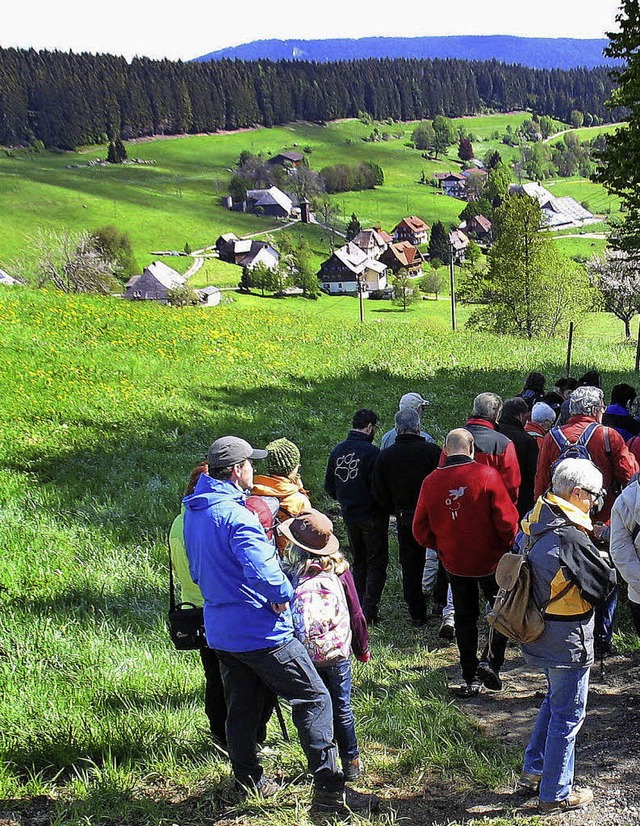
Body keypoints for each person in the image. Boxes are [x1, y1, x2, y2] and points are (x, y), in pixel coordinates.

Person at [183, 436, 376, 813]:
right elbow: (269, 578)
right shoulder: (237, 516)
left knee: (241, 706)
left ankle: (248, 779)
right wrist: (283, 591)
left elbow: (196, 566)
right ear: (238, 470)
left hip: (220, 630)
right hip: (261, 631)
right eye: (250, 464)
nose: (253, 470)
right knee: (314, 697)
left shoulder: (194, 511)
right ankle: (327, 790)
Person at [517, 459, 616, 814]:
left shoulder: (536, 518)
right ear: (576, 493)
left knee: (553, 701)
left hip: (536, 628)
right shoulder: (571, 536)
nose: (596, 503)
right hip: (567, 637)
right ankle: (556, 793)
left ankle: (534, 770)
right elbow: (604, 586)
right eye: (594, 496)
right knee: (568, 715)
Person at [413, 428, 519, 696]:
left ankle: (469, 673)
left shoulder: (430, 482)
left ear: (446, 450)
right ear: (472, 449)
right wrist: (504, 546)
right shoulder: (486, 475)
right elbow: (507, 522)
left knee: (464, 618)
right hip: (490, 560)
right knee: (500, 613)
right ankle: (491, 662)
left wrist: (441, 545)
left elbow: (420, 529)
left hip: (455, 562)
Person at [535, 385, 638, 656]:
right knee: (606, 580)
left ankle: (570, 635)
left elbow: (541, 485)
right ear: (595, 410)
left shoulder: (552, 437)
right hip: (603, 525)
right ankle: (602, 642)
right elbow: (631, 476)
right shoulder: (609, 436)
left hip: (564, 526)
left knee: (567, 579)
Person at [282, 510, 370, 782]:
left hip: (305, 654)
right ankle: (352, 762)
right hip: (336, 654)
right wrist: (361, 647)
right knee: (342, 707)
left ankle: (324, 765)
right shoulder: (340, 572)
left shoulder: (290, 574)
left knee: (314, 707)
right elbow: (356, 613)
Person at [372, 408, 442, 627]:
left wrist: (393, 509)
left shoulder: (385, 457)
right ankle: (441, 601)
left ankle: (416, 612)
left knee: (411, 564)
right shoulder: (432, 452)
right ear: (418, 426)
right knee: (443, 557)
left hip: (405, 516)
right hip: (434, 515)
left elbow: (378, 492)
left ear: (396, 429)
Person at [324, 409, 388, 624]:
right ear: (369, 427)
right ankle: (369, 611)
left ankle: (355, 605)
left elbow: (329, 486)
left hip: (350, 515)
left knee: (359, 562)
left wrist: (345, 499)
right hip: (372, 516)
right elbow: (380, 488)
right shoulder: (372, 453)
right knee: (377, 563)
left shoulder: (337, 450)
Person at [251, 437, 312, 553]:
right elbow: (309, 534)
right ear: (292, 468)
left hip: (265, 550)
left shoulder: (255, 489)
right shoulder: (298, 500)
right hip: (289, 555)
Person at [461, 392, 521, 505]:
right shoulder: (503, 443)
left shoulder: (455, 438)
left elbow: (442, 472)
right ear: (496, 415)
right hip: (489, 509)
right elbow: (511, 486)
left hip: (456, 508)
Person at [498, 397, 539, 518]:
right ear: (521, 416)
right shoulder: (527, 440)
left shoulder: (493, 434)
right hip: (520, 499)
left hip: (493, 493)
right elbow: (534, 473)